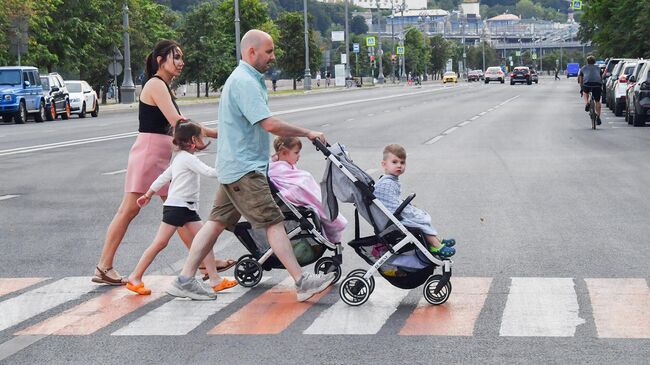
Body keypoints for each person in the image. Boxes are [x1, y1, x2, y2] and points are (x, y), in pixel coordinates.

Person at [167, 29, 336, 301]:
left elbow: (240, 127)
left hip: (235, 166)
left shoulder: (245, 79)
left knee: (215, 224)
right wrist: (307, 132)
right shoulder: (244, 81)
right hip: (244, 170)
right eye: (268, 51)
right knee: (273, 222)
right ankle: (302, 281)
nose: (273, 56)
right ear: (251, 52)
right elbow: (268, 124)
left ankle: (185, 279)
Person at [92, 40, 231, 285]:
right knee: (130, 209)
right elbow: (178, 121)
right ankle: (104, 266)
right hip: (149, 153)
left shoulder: (164, 86)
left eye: (181, 57)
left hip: (162, 154)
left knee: (180, 212)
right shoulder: (156, 84)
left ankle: (203, 262)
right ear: (160, 60)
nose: (181, 62)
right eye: (175, 57)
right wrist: (216, 133)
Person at [126, 122, 237, 295]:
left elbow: (163, 177)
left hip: (185, 208)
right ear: (193, 140)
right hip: (177, 207)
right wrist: (230, 170)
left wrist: (148, 194)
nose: (203, 139)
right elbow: (208, 172)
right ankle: (135, 277)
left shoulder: (179, 158)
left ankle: (215, 280)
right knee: (160, 243)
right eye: (201, 136)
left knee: (205, 240)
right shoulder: (187, 158)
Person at [373, 144, 456, 258]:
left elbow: (393, 200)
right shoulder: (386, 184)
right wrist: (408, 210)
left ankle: (437, 240)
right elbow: (391, 206)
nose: (399, 166)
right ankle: (435, 245)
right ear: (384, 164)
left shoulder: (389, 180)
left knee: (419, 214)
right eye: (395, 162)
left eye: (402, 163)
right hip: (392, 220)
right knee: (419, 219)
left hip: (393, 216)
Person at [268, 136, 347, 243]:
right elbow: (293, 188)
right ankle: (332, 220)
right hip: (295, 197)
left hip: (292, 197)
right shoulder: (278, 169)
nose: (299, 156)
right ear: (284, 152)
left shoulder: (278, 166)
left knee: (307, 180)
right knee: (307, 181)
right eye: (296, 153)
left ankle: (330, 217)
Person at [578, 55, 603, 125]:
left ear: (587, 61)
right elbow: (601, 78)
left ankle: (587, 103)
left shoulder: (583, 68)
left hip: (587, 84)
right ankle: (598, 116)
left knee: (585, 92)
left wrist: (581, 88)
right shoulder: (598, 68)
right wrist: (601, 86)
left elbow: (581, 79)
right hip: (597, 85)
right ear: (594, 61)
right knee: (597, 101)